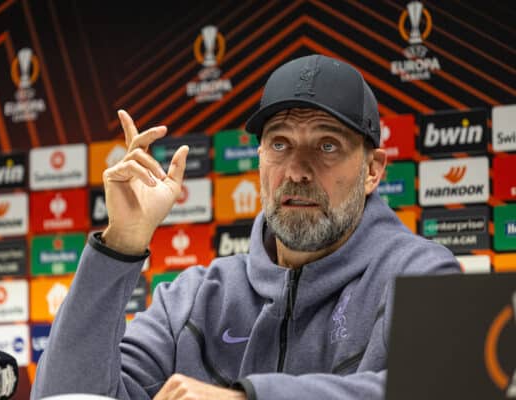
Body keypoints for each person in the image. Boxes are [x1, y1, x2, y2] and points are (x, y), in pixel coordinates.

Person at [32, 54, 460, 400]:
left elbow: (439, 389)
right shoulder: (194, 299)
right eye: (280, 143)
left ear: (373, 169)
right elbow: (65, 396)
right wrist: (120, 245)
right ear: (259, 158)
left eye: (327, 145)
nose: (297, 171)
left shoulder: (418, 274)